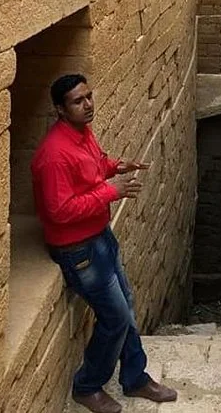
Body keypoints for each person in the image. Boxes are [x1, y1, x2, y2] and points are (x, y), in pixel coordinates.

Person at [31, 74, 177, 413]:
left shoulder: (82, 133)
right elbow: (59, 211)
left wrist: (116, 167)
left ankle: (135, 377)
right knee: (115, 317)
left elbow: (93, 166)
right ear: (60, 109)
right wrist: (111, 192)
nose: (88, 105)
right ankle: (87, 385)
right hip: (78, 250)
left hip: (99, 238)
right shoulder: (54, 154)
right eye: (77, 101)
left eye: (89, 96)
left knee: (126, 305)